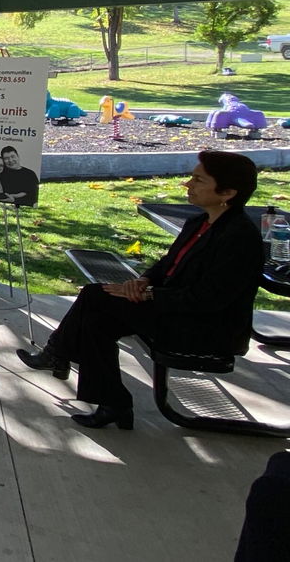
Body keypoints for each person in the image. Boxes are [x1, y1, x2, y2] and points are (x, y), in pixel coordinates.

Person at [16, 150, 263, 430]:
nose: (188, 184)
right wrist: (143, 281)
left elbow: (208, 298)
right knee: (98, 318)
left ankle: (59, 356)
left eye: (198, 179)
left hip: (203, 327)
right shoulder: (200, 222)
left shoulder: (240, 238)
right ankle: (112, 402)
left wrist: (148, 295)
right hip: (173, 310)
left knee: (95, 297)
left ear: (227, 192)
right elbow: (167, 264)